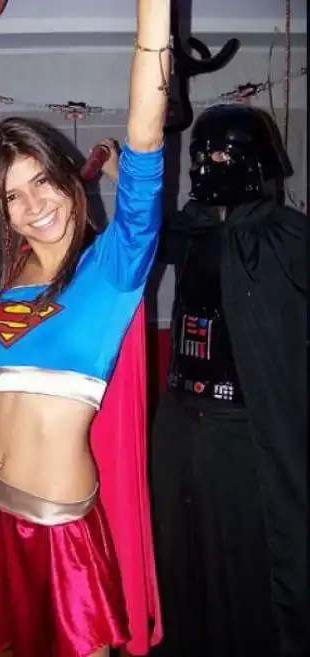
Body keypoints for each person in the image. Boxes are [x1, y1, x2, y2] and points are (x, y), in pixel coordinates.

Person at [0, 1, 171, 655]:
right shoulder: (9, 272)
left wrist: (154, 15)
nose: (34, 204)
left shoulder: (115, 265)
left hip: (54, 515)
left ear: (68, 177)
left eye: (42, 180)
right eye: (12, 196)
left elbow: (146, 134)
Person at [147, 104, 306, 657]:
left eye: (221, 153)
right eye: (202, 154)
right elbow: (141, 234)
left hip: (244, 428)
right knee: (180, 548)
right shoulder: (189, 229)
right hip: (180, 423)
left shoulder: (287, 238)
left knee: (247, 555)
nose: (208, 164)